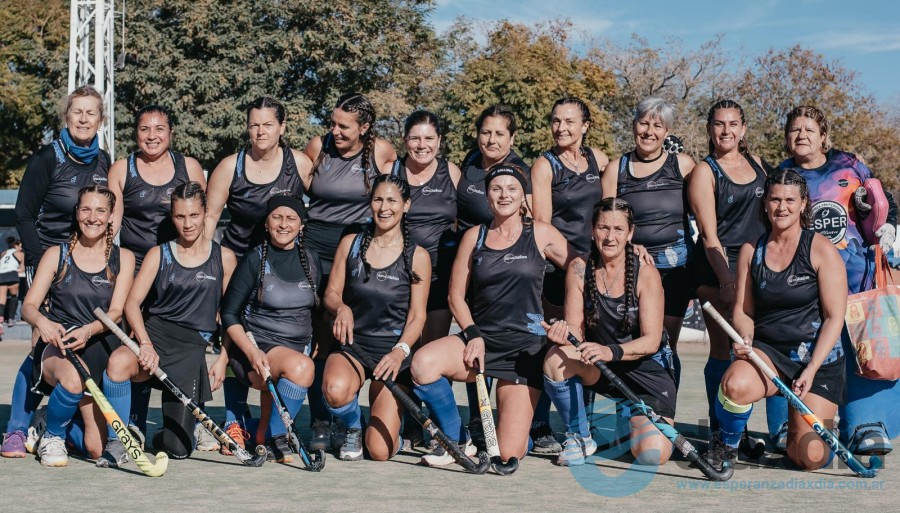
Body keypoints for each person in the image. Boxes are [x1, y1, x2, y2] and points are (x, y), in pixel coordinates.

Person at [411, 165, 575, 466]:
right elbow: (455, 296)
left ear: (522, 195)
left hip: (524, 350)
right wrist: (472, 333)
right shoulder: (474, 236)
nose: (504, 195)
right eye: (496, 188)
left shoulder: (540, 232)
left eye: (512, 188)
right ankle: (457, 440)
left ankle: (516, 435)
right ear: (487, 196)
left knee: (510, 452)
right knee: (422, 363)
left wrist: (569, 318)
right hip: (481, 340)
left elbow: (581, 269)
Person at [705, 169, 847, 470]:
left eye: (789, 200)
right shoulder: (750, 250)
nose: (782, 207)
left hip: (816, 359)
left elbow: (835, 318)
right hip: (770, 352)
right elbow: (743, 312)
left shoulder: (821, 248)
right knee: (735, 383)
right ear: (765, 204)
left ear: (803, 203)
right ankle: (727, 446)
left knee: (809, 457)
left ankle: (807, 430)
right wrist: (744, 340)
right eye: (775, 199)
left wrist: (810, 368)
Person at [778, 106, 899, 456]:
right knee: (802, 351)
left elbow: (880, 199)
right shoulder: (781, 175)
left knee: (862, 350)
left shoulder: (848, 165)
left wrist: (886, 222)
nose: (802, 135)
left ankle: (866, 423)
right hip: (803, 283)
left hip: (856, 277)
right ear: (786, 138)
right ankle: (795, 424)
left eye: (809, 129)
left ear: (823, 136)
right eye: (795, 129)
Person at [4, 85, 111, 458]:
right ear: (67, 116)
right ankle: (16, 429)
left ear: (101, 119)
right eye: (76, 112)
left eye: (91, 113)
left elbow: (106, 213)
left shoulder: (104, 161)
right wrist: (41, 262)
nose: (83, 119)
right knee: (40, 347)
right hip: (48, 262)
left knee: (76, 348)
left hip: (87, 263)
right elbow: (24, 215)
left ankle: (55, 420)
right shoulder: (46, 158)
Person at [98, 182, 235, 465]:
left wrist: (223, 359)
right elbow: (132, 304)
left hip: (191, 349)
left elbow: (231, 315)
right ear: (172, 217)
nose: (187, 224)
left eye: (194, 215)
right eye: (180, 216)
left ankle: (169, 432)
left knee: (178, 448)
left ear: (206, 213)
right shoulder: (159, 254)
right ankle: (120, 438)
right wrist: (145, 343)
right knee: (118, 363)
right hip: (156, 337)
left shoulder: (224, 257)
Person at [205, 96, 313, 455]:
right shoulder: (228, 166)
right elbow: (208, 222)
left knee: (277, 343)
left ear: (282, 127)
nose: (260, 131)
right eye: (254, 124)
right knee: (234, 333)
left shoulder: (299, 163)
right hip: (237, 264)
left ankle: (271, 428)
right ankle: (234, 421)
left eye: (268, 124)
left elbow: (324, 204)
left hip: (280, 264)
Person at [542, 198, 676, 466]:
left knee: (651, 455)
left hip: (646, 371)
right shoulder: (579, 268)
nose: (610, 237)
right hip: (603, 366)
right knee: (556, 357)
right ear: (592, 230)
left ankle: (630, 420)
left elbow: (651, 342)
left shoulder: (646, 273)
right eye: (603, 228)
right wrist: (563, 335)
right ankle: (579, 437)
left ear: (630, 233)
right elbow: (576, 331)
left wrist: (609, 351)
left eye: (618, 229)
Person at [686, 100, 788, 447]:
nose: (726, 131)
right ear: (709, 129)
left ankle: (758, 429)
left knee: (760, 348)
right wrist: (727, 280)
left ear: (743, 129)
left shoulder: (760, 164)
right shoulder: (704, 171)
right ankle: (722, 433)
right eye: (718, 124)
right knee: (723, 351)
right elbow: (709, 235)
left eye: (732, 124)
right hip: (718, 267)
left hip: (756, 266)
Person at [303, 92, 396, 451]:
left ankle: (349, 417)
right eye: (333, 123)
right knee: (318, 341)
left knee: (347, 332)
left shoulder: (382, 153)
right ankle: (321, 423)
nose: (335, 131)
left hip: (357, 250)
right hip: (313, 249)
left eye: (344, 126)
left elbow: (392, 198)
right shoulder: (317, 146)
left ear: (365, 128)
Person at [19, 186, 135, 465]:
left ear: (110, 216)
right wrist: (43, 323)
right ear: (76, 212)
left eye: (100, 210)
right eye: (85, 209)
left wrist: (90, 330)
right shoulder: (56, 255)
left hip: (99, 345)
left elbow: (116, 312)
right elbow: (28, 307)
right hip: (60, 347)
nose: (92, 217)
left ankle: (50, 417)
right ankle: (53, 435)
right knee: (72, 380)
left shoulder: (124, 258)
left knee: (96, 449)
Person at [322, 174, 430, 461]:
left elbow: (418, 316)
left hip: (392, 354)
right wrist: (341, 308)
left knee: (380, 452)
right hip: (354, 347)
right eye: (378, 199)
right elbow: (331, 293)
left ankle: (394, 427)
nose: (384, 207)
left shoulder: (417, 256)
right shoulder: (351, 244)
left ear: (406, 205)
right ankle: (352, 426)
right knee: (335, 390)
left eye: (392, 200)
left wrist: (399, 352)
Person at [530, 96, 609, 454]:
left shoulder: (600, 160)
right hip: (558, 272)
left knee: (587, 346)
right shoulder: (544, 166)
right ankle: (542, 425)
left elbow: (610, 217)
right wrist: (578, 269)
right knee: (554, 345)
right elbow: (544, 230)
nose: (562, 128)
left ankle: (583, 426)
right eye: (556, 121)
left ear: (585, 126)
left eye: (570, 121)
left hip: (596, 271)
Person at [601, 97, 696, 387]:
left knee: (665, 345)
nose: (649, 131)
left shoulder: (683, 165)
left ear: (666, 132)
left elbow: (705, 215)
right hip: (630, 270)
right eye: (643, 123)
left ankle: (665, 416)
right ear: (633, 126)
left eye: (657, 125)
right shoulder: (616, 169)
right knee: (630, 345)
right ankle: (629, 416)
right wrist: (629, 248)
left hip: (676, 272)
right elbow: (605, 223)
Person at [220, 194, 321, 463]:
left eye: (291, 218)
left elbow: (316, 309)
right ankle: (280, 439)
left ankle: (256, 432)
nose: (283, 224)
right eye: (277, 217)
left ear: (302, 225)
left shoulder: (312, 260)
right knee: (302, 368)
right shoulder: (253, 260)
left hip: (296, 350)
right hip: (257, 353)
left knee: (261, 434)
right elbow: (229, 314)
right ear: (266, 223)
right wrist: (251, 353)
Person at [389, 110, 460, 345]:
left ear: (439, 140)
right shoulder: (391, 171)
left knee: (431, 350)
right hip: (398, 274)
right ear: (404, 140)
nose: (422, 145)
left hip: (441, 275)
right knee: (401, 349)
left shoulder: (451, 172)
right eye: (415, 138)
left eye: (429, 138)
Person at [109, 105, 207, 269]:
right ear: (136, 133)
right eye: (144, 129)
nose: (152, 136)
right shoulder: (121, 170)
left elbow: (204, 218)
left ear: (171, 132)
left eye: (159, 129)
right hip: (135, 266)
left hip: (181, 264)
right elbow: (111, 224)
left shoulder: (189, 167)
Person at [0, 238, 25, 332]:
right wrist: (15, 270)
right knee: (14, 296)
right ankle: (11, 319)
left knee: (2, 300)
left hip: (1, 275)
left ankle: (0, 322)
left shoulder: (3, 253)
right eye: (20, 246)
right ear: (16, 246)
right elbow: (22, 269)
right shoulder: (21, 254)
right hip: (12, 275)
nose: (21, 248)